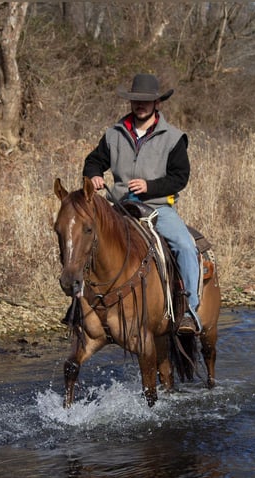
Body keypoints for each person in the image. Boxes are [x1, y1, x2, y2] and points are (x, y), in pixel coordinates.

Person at [83, 73, 202, 334]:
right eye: (136, 100)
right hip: (121, 206)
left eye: (147, 101)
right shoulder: (114, 134)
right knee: (88, 241)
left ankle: (190, 313)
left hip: (158, 208)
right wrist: (93, 175)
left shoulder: (174, 138)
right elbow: (93, 160)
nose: (141, 104)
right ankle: (80, 308)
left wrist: (151, 186)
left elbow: (180, 177)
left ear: (158, 102)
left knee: (184, 246)